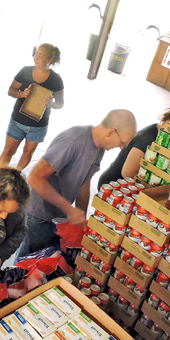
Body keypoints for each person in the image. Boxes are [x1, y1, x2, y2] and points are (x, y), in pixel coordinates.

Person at [18, 109, 137, 257]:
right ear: (111, 132)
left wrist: (81, 218)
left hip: (58, 217)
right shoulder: (73, 141)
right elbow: (35, 177)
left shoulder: (99, 149)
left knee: (43, 264)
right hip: (39, 215)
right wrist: (69, 209)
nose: (121, 148)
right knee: (25, 264)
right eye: (123, 143)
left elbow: (84, 183)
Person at [0, 44, 65, 171]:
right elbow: (11, 90)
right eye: (36, 54)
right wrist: (22, 94)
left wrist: (52, 104)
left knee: (28, 153)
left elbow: (60, 104)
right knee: (8, 150)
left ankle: (16, 174)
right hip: (17, 121)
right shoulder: (25, 71)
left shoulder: (56, 80)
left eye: (40, 56)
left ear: (49, 60)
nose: (36, 57)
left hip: (38, 126)